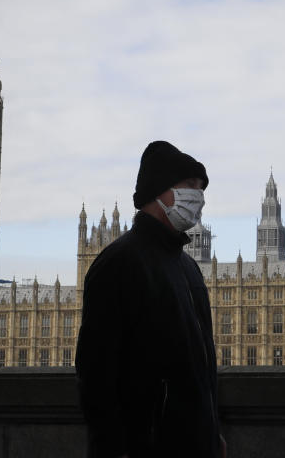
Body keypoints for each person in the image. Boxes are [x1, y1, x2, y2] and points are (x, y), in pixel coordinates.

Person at [76, 140, 226, 458]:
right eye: (190, 187)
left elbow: (202, 366)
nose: (198, 198)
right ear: (160, 191)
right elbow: (96, 375)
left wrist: (213, 435)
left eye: (201, 189)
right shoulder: (117, 263)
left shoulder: (189, 269)